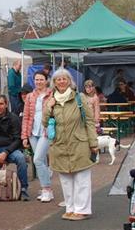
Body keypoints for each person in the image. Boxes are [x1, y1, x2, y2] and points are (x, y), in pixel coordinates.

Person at [43, 69, 100, 220]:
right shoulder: (51, 100)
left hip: (79, 142)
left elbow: (89, 121)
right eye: (58, 79)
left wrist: (93, 142)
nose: (61, 81)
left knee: (82, 178)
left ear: (70, 81)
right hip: (60, 144)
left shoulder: (79, 98)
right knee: (65, 179)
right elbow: (44, 122)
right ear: (54, 83)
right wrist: (49, 106)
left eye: (64, 79)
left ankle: (82, 209)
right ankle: (71, 207)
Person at [21, 71, 55, 203]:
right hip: (32, 132)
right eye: (36, 79)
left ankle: (46, 188)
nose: (38, 82)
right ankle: (48, 189)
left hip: (46, 131)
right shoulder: (30, 96)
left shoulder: (52, 94)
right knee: (42, 161)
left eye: (41, 79)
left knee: (37, 160)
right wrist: (24, 136)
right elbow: (26, 116)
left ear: (46, 81)